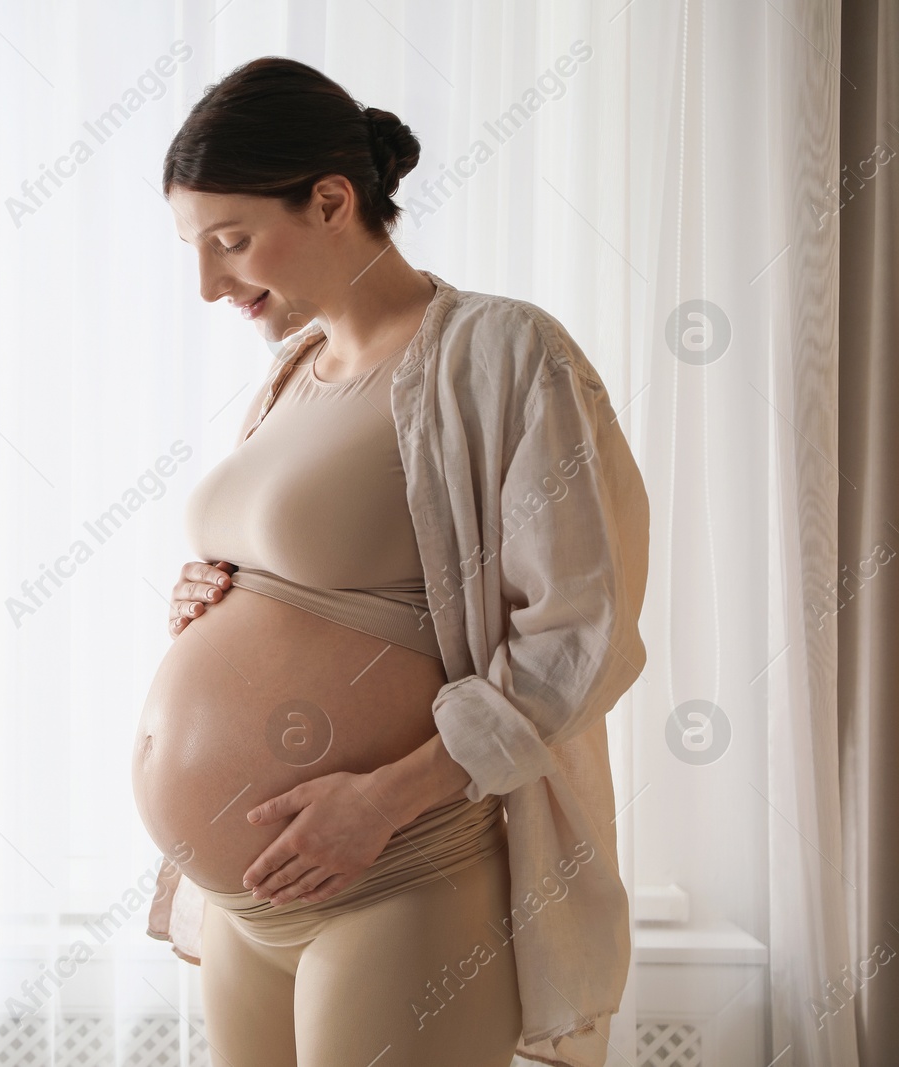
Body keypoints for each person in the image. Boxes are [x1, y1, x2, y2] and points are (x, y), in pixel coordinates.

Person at [142, 57, 649, 1067]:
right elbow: (331, 590)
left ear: (332, 199)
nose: (208, 285)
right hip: (246, 902)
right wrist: (209, 594)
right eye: (194, 251)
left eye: (230, 241)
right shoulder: (293, 371)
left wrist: (380, 799)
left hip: (397, 872)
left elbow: (578, 637)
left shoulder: (501, 352)